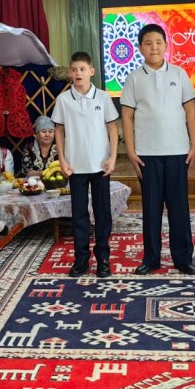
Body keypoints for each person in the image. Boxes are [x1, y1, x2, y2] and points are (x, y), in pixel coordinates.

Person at [120, 24, 195, 276]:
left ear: (166, 45)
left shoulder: (179, 73)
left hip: (177, 150)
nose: (153, 47)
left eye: (158, 42)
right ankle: (151, 258)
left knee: (179, 208)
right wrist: (131, 151)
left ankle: (183, 258)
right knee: (151, 209)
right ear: (140, 48)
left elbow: (190, 111)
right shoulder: (134, 78)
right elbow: (127, 116)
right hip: (147, 154)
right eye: (148, 43)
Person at [52, 52, 119, 278]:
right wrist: (62, 159)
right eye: (74, 70)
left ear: (91, 71)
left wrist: (113, 157)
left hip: (101, 166)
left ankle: (103, 260)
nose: (78, 73)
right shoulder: (63, 100)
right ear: (70, 73)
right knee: (79, 215)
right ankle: (81, 260)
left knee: (102, 214)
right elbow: (59, 130)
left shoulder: (103, 97)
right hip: (75, 167)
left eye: (82, 69)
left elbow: (112, 128)